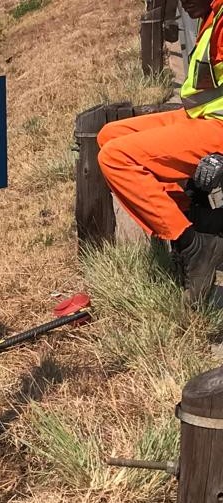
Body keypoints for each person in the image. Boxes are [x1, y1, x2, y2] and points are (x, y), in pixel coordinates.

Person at [97, 0, 223, 304]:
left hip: (218, 128)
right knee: (109, 135)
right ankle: (192, 220)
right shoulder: (213, 14)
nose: (183, 4)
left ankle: (192, 245)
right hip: (200, 117)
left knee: (115, 158)